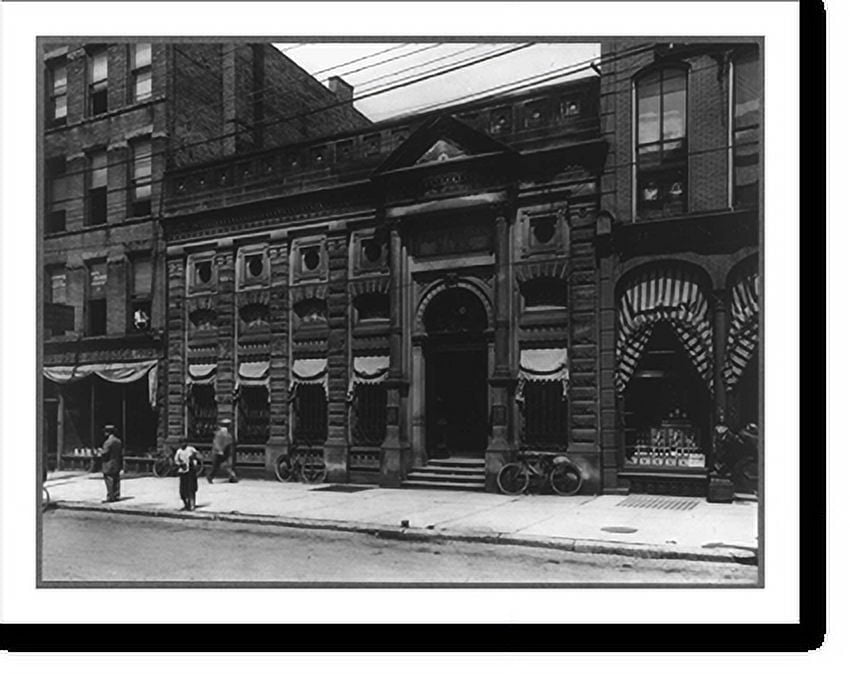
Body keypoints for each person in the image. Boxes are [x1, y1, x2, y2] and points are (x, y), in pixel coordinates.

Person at [207, 418, 238, 483]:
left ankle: (232, 477)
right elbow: (217, 443)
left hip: (225, 451)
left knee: (226, 465)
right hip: (218, 452)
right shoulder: (221, 433)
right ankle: (210, 476)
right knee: (216, 466)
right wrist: (220, 450)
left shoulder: (227, 434)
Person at [174, 438, 201, 511]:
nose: (183, 444)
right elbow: (176, 461)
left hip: (191, 470)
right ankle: (186, 504)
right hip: (183, 471)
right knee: (183, 490)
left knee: (191, 488)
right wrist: (180, 464)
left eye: (184, 442)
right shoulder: (179, 451)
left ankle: (192, 504)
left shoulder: (190, 449)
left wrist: (194, 458)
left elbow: (198, 456)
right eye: (181, 443)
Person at [99, 424, 123, 503]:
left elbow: (104, 453)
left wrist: (100, 451)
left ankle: (110, 496)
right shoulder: (118, 441)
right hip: (116, 463)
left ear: (108, 433)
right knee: (116, 479)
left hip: (108, 463)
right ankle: (116, 495)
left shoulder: (108, 442)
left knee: (109, 480)